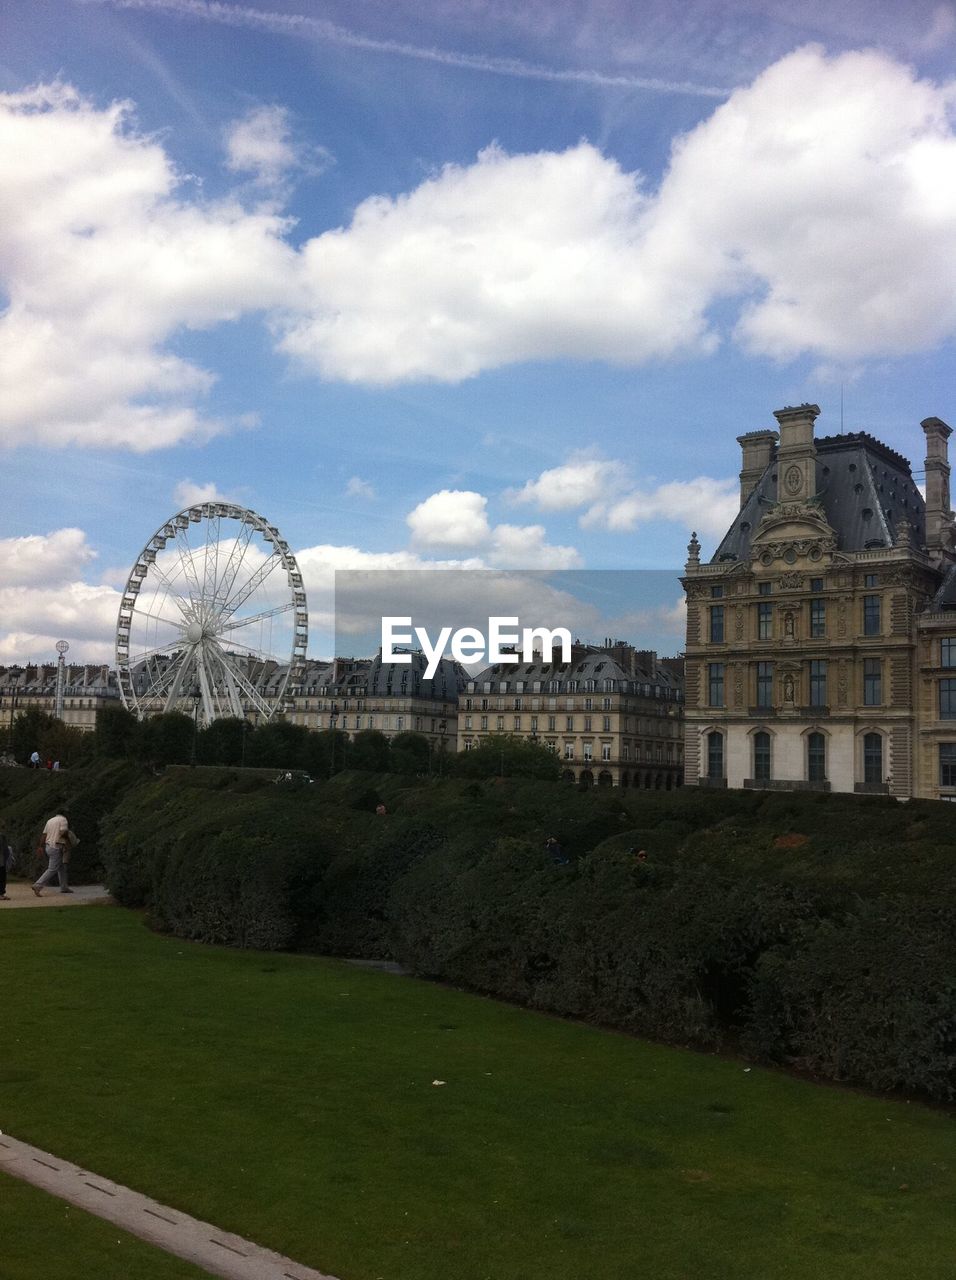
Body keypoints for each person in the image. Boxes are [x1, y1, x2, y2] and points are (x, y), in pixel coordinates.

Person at [32, 812, 78, 896]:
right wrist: (68, 844)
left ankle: (64, 887)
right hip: (56, 847)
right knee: (52, 869)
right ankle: (37, 885)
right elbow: (63, 833)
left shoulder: (50, 821)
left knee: (62, 867)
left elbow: (44, 835)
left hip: (48, 846)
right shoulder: (63, 820)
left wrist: (40, 846)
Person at [0, 831, 12, 900]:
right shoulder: (2, 836)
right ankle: (1, 894)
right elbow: (5, 850)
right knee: (2, 878)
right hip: (1, 861)